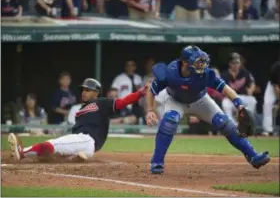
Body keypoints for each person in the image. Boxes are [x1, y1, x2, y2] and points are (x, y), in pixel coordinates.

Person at [145, 45, 270, 174]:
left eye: (202, 61)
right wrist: (150, 110)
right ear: (184, 62)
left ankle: (253, 156)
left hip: (200, 100)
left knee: (225, 123)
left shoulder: (206, 74)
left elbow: (225, 88)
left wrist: (239, 104)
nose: (201, 64)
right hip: (175, 101)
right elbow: (151, 90)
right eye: (197, 61)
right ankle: (157, 162)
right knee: (169, 122)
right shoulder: (169, 72)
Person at [8, 78, 147, 161]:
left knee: (54, 143)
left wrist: (140, 93)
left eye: (87, 89)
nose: (83, 92)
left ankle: (23, 152)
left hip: (87, 140)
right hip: (82, 143)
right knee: (52, 156)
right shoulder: (80, 110)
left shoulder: (103, 103)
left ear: (96, 92)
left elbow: (123, 101)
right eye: (83, 89)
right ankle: (77, 157)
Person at [221, 53, 257, 124]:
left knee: (253, 101)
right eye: (233, 63)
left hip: (243, 96)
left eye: (237, 63)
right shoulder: (224, 74)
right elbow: (222, 88)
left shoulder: (245, 72)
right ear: (229, 64)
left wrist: (251, 89)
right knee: (225, 103)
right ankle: (233, 125)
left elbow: (252, 83)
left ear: (240, 63)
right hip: (231, 98)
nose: (235, 65)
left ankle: (245, 122)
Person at [262, 54, 280, 136]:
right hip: (273, 87)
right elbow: (275, 86)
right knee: (267, 104)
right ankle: (267, 130)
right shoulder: (276, 67)